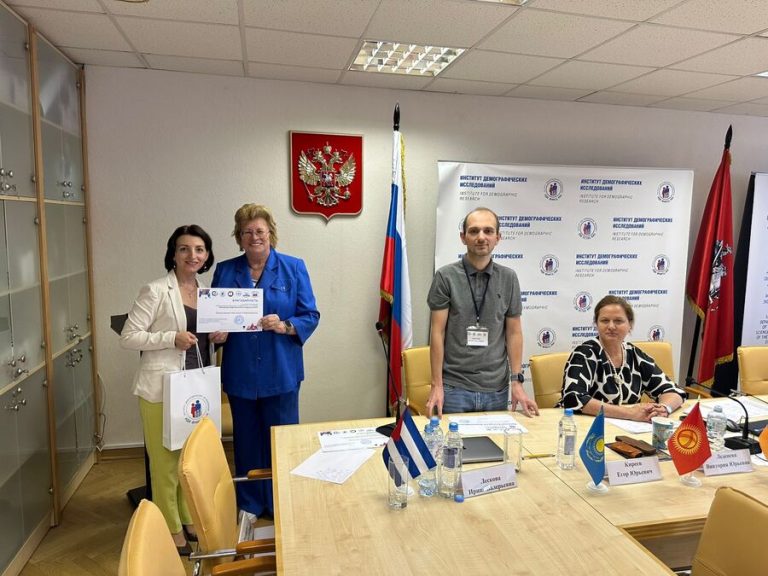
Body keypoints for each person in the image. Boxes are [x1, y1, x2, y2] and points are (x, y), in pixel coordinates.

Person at [120, 225, 227, 554]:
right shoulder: (155, 290)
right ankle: (170, 526)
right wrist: (170, 338)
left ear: (207, 256)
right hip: (162, 390)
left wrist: (219, 335)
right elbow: (128, 336)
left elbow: (205, 337)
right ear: (173, 254)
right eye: (184, 249)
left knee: (188, 459)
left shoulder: (206, 292)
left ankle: (186, 516)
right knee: (165, 463)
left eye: (199, 249)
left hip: (196, 389)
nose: (192, 255)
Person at [212, 203, 319, 521]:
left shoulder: (293, 267)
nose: (254, 237)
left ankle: (280, 500)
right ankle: (249, 504)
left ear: (270, 233)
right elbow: (215, 318)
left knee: (281, 441)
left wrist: (285, 325)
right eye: (246, 232)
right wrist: (217, 333)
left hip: (281, 372)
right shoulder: (225, 271)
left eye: (259, 230)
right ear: (239, 237)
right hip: (241, 371)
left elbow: (310, 315)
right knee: (246, 441)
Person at [426, 207, 539, 418]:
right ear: (463, 237)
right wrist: (437, 385)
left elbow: (514, 332)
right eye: (474, 231)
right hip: (454, 388)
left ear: (498, 238)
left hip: (496, 389)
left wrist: (516, 382)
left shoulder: (508, 278)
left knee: (495, 441)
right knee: (452, 440)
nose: (481, 237)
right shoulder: (445, 277)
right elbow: (437, 333)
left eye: (488, 231)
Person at [559, 295, 686, 422]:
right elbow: (573, 398)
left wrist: (663, 408)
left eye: (618, 321)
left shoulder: (635, 354)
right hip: (584, 426)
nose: (611, 326)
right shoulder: (584, 353)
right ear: (596, 324)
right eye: (605, 321)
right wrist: (630, 413)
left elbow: (674, 391)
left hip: (628, 427)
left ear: (630, 325)